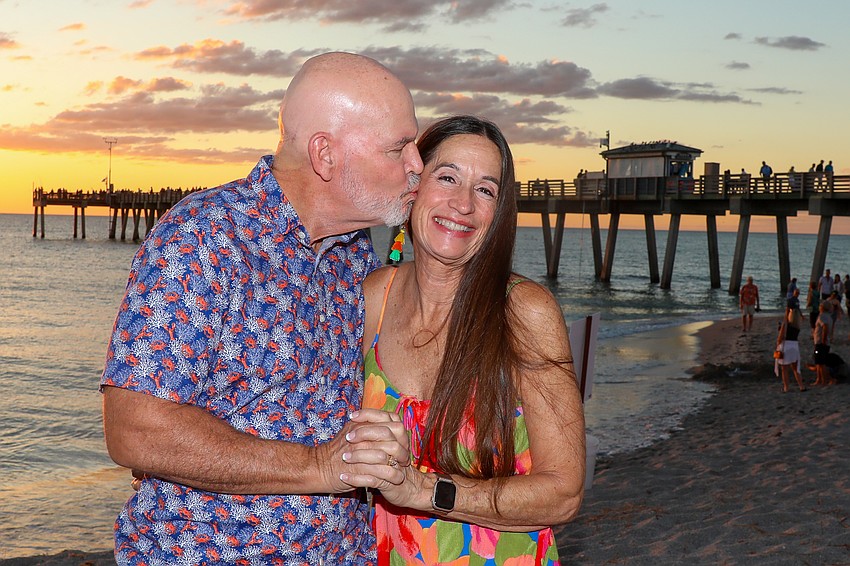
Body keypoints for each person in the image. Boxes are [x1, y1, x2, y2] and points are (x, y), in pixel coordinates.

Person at [99, 52, 425, 564]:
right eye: (398, 147)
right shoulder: (205, 238)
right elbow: (135, 429)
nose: (417, 164)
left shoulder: (354, 252)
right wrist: (320, 465)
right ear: (325, 154)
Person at [342, 116, 586, 564]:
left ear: (498, 214)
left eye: (486, 190)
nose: (463, 204)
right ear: (414, 186)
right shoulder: (374, 297)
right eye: (447, 177)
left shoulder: (523, 312)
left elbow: (563, 493)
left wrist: (422, 490)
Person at [775, 307, 806, 392]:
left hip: (786, 346)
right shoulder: (797, 326)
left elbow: (780, 337)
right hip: (795, 346)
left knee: (784, 369)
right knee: (796, 368)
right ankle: (801, 386)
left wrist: (777, 344)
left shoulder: (785, 325)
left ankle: (786, 387)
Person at [813, 303, 834, 386]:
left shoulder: (822, 316)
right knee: (818, 361)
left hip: (820, 343)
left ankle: (825, 380)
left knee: (821, 363)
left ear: (822, 308)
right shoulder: (829, 316)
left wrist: (823, 339)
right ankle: (819, 379)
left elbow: (825, 326)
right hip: (822, 343)